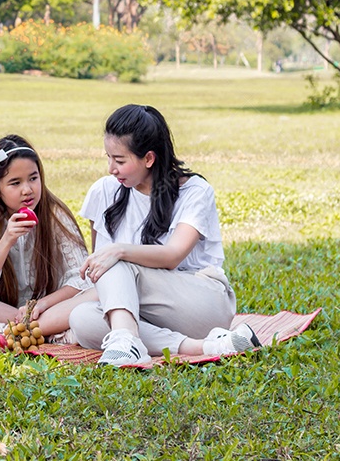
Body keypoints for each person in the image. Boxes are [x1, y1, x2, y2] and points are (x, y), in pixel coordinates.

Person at [69, 104, 260, 367]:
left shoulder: (195, 191)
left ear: (149, 158)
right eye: (108, 157)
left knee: (116, 260)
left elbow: (172, 256)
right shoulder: (104, 192)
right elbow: (103, 284)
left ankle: (127, 338)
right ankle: (205, 346)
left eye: (120, 160)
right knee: (81, 319)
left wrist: (119, 250)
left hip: (200, 303)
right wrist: (38, 318)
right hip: (148, 313)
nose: (111, 168)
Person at [0, 135, 93, 340]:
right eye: (15, 183)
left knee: (98, 292)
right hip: (5, 311)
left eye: (33, 178)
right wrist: (6, 240)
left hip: (49, 308)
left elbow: (82, 278)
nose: (27, 190)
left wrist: (41, 305)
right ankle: (34, 330)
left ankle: (15, 331)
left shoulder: (54, 216)